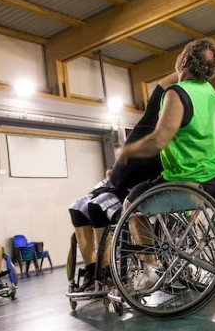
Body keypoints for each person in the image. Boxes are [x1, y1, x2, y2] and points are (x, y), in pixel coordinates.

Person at [116, 38, 215, 290]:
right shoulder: (211, 93)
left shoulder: (178, 92)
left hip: (185, 179)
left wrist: (128, 151)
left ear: (184, 61)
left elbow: (158, 140)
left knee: (131, 204)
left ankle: (149, 269)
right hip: (213, 180)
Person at [67, 72, 178, 292]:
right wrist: (182, 71)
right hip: (110, 185)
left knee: (97, 206)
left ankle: (105, 271)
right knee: (77, 208)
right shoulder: (151, 118)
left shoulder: (172, 140)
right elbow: (159, 85)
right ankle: (91, 271)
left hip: (129, 192)